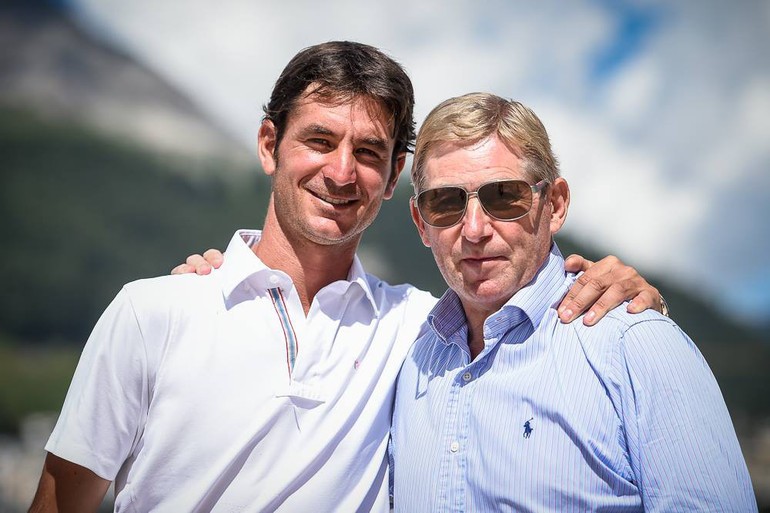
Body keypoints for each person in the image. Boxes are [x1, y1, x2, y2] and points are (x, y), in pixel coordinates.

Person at [30, 42, 662, 512]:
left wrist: (625, 287)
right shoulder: (153, 313)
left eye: (368, 153)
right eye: (318, 140)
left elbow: (521, 300)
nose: (341, 172)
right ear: (268, 144)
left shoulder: (422, 329)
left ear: (394, 179)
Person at [389, 92, 757, 512]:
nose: (474, 229)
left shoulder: (636, 346)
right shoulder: (407, 357)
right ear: (421, 222)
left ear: (556, 205)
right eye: (446, 201)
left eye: (503, 195)